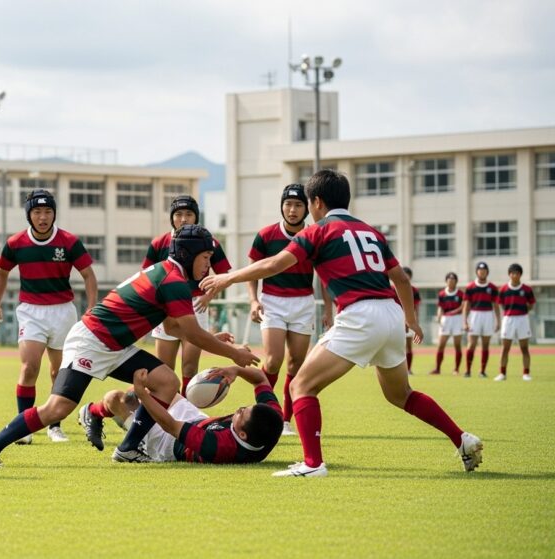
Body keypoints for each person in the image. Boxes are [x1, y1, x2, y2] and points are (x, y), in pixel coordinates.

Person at [204, 169, 483, 477]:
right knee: (400, 394)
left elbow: (273, 264)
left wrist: (228, 277)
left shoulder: (317, 231)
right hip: (390, 314)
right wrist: (411, 321)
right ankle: (462, 439)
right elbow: (401, 279)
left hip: (360, 315)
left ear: (316, 202)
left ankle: (312, 464)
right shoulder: (371, 232)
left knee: (301, 385)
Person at [0, 225, 260, 468]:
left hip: (113, 344)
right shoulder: (172, 281)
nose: (208, 264)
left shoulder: (170, 274)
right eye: (206, 256)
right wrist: (235, 354)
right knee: (57, 408)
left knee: (166, 381)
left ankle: (129, 447)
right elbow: (190, 332)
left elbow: (174, 327)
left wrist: (213, 337)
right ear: (187, 254)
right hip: (92, 340)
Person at [0, 189, 97, 444]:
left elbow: (89, 276)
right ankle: (22, 428)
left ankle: (54, 426)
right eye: (37, 212)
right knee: (29, 368)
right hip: (31, 311)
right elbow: (1, 272)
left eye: (48, 212)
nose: (42, 217)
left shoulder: (69, 241)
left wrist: (91, 309)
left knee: (58, 372)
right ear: (29, 215)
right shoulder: (16, 243)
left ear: (54, 214)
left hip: (63, 311)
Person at [246, 184, 333, 435]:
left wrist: (328, 309)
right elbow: (253, 270)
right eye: (288, 204)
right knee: (273, 360)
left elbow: (324, 276)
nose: (292, 210)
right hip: (272, 302)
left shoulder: (315, 234)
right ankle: (265, 410)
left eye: (297, 205)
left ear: (306, 209)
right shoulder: (265, 235)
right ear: (281, 206)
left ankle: (284, 420)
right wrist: (253, 300)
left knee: (296, 364)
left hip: (303, 303)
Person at [87, 365, 283, 464]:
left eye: (242, 413)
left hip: (168, 443)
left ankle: (93, 412)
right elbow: (260, 379)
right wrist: (236, 370)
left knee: (114, 398)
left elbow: (169, 425)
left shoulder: (220, 447)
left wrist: (141, 394)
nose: (239, 409)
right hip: (197, 420)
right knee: (163, 386)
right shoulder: (271, 419)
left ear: (242, 435)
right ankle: (102, 410)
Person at [142, 195, 229, 393]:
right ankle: (161, 414)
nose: (183, 219)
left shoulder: (210, 242)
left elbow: (224, 275)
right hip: (165, 308)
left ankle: (186, 414)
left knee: (190, 367)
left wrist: (208, 296)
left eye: (189, 214)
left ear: (196, 217)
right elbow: (147, 276)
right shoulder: (159, 243)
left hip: (196, 305)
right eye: (178, 214)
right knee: (163, 369)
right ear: (172, 217)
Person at [496, 263, 535, 381]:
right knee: (505, 348)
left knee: (524, 348)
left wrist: (524, 309)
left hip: (523, 319)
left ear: (520, 275)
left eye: (517, 273)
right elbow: (501, 304)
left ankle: (526, 373)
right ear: (509, 274)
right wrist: (510, 311)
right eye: (512, 273)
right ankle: (502, 373)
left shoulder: (527, 289)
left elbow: (531, 304)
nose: (514, 275)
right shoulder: (503, 289)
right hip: (508, 319)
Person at [462, 262, 500, 378]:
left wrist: (498, 321)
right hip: (475, 315)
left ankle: (482, 371)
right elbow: (466, 305)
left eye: (484, 270)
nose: (482, 272)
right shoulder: (470, 287)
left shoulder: (492, 287)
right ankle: (468, 371)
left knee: (485, 345)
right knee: (472, 344)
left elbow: (496, 305)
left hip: (488, 315)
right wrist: (465, 321)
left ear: (487, 272)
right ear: (477, 272)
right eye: (479, 270)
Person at [428, 272, 465, 375]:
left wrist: (454, 311)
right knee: (441, 345)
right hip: (446, 320)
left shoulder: (460, 294)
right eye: (449, 280)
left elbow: (463, 306)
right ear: (446, 281)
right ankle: (437, 369)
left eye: (453, 280)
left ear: (456, 282)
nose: (451, 281)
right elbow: (440, 307)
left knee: (457, 345)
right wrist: (439, 315)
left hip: (457, 319)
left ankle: (456, 369)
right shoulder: (442, 294)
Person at [392, 266, 421, 375]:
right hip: (396, 319)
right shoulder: (392, 289)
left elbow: (416, 307)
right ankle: (398, 370)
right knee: (396, 346)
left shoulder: (414, 290)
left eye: (407, 275)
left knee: (408, 346)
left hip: (409, 318)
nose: (406, 276)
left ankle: (408, 369)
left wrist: (414, 321)